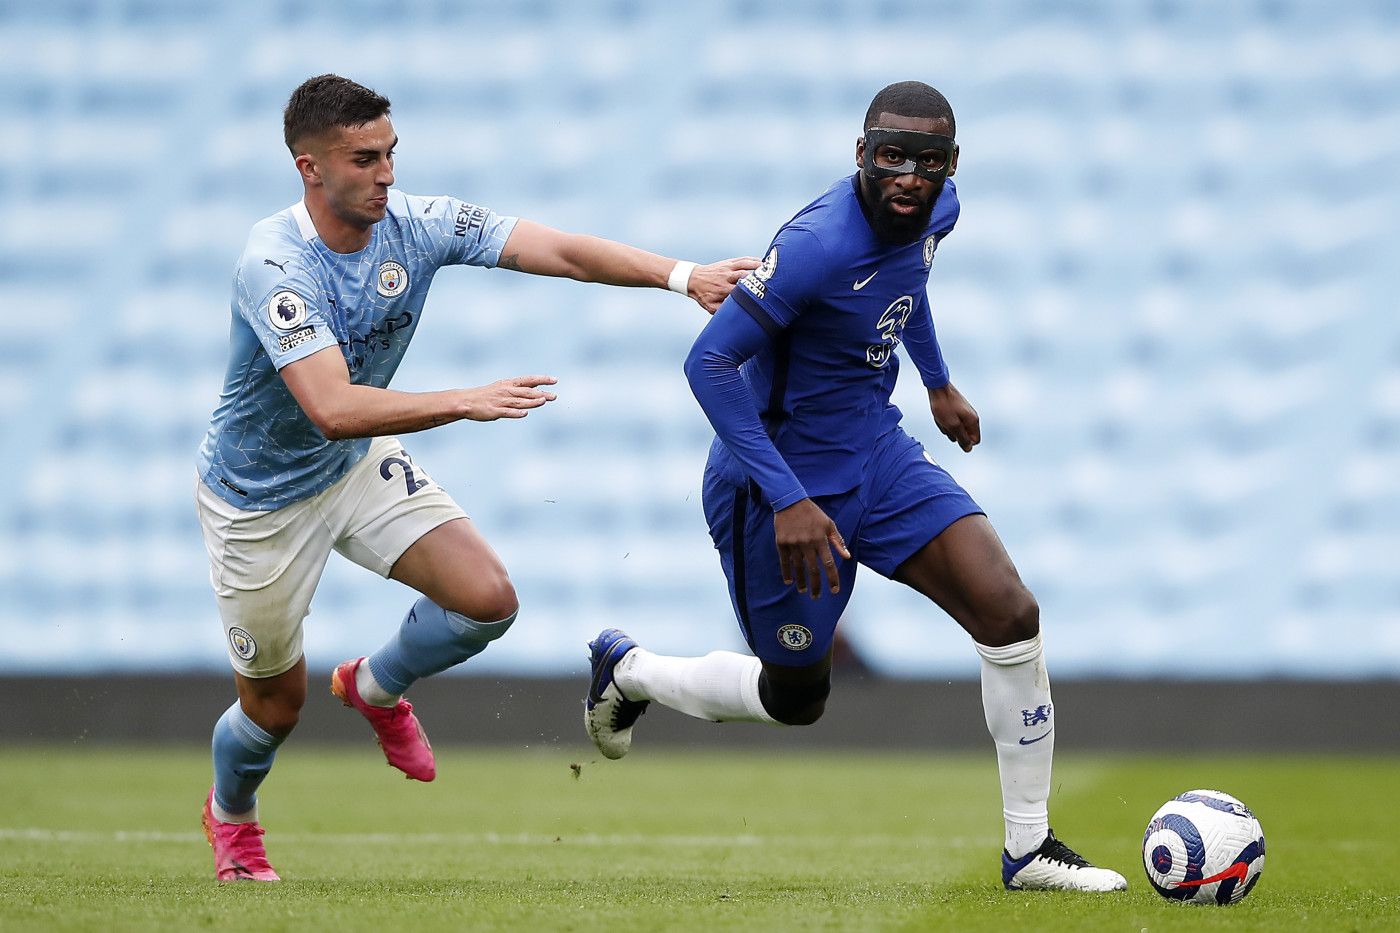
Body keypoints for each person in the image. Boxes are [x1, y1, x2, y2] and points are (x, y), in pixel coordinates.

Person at [194, 73, 757, 882]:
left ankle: (376, 686)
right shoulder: (274, 263)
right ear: (309, 167)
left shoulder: (416, 225)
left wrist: (683, 275)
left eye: (391, 153)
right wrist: (465, 399)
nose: (386, 173)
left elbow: (556, 249)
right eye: (364, 158)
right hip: (260, 499)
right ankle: (233, 814)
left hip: (352, 468)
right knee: (276, 707)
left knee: (488, 598)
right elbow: (329, 406)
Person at [584, 81, 1128, 893]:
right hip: (780, 482)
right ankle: (630, 673)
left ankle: (1029, 847)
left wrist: (938, 382)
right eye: (892, 156)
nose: (910, 175)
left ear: (952, 165)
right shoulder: (814, 246)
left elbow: (905, 287)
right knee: (796, 697)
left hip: (878, 453)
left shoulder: (938, 212)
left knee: (1009, 609)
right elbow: (708, 364)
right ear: (862, 154)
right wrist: (788, 498)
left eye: (930, 160)